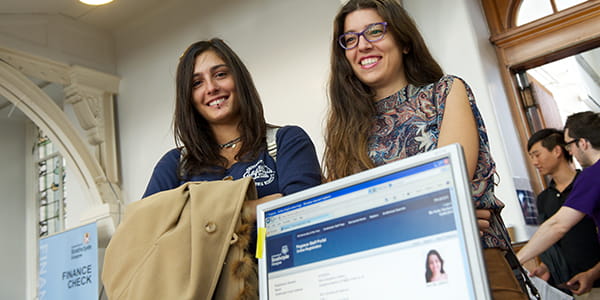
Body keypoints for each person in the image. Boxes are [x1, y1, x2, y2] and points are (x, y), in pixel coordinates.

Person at [324, 0, 528, 299]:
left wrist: (381, 216)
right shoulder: (342, 128)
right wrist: (445, 214)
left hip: (474, 260)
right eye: (351, 39)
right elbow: (343, 221)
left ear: (404, 41)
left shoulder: (445, 92)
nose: (362, 45)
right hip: (389, 276)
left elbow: (448, 186)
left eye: (375, 31)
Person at [518, 111, 600, 297]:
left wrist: (517, 260)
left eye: (570, 144)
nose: (569, 150)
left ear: (583, 143)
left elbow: (558, 225)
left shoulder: (591, 176)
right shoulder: (544, 199)